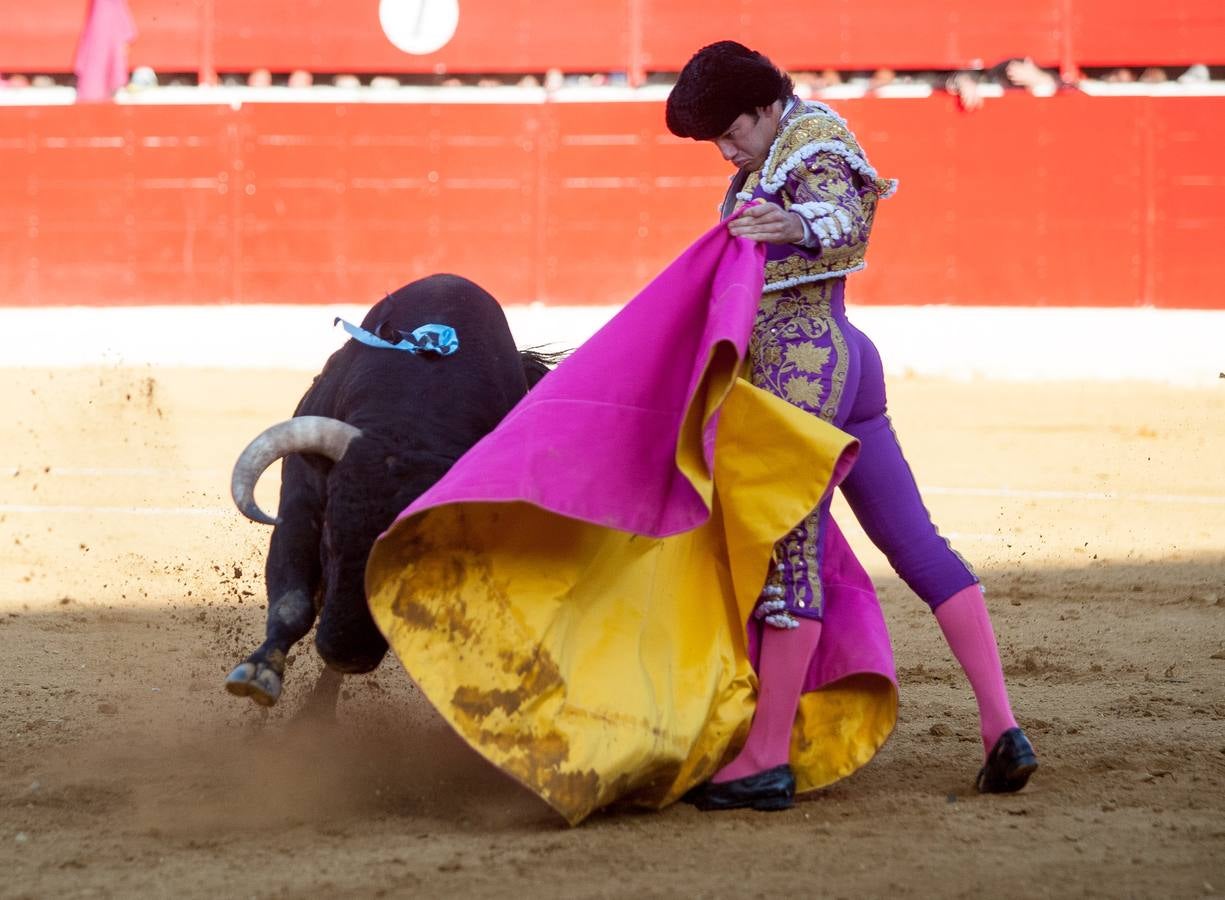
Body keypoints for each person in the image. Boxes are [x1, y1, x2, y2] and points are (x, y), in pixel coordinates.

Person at [665, 41, 1038, 809]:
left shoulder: (814, 139)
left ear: (767, 105)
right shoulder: (766, 159)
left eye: (731, 131)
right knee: (913, 542)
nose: (725, 151)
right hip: (839, 362)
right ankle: (1001, 727)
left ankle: (766, 758)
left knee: (787, 549)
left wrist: (791, 222)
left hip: (805, 365)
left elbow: (842, 217)